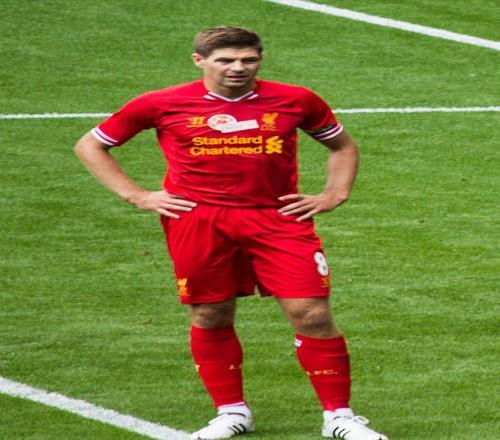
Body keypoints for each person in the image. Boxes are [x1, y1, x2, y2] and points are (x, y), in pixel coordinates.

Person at [75, 26, 388, 440]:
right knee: (210, 313)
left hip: (277, 218)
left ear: (260, 59)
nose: (238, 67)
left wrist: (335, 193)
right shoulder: (160, 103)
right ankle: (232, 412)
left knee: (312, 313)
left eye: (248, 59)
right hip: (199, 220)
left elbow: (342, 146)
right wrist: (137, 195)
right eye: (226, 60)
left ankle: (340, 417)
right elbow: (91, 145)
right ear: (199, 61)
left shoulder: (296, 99)